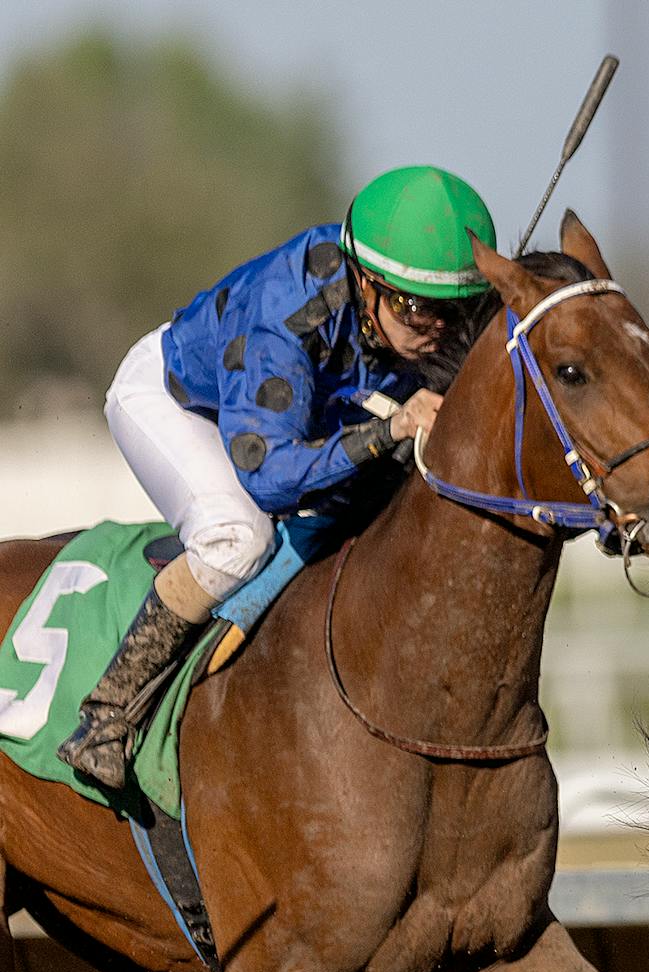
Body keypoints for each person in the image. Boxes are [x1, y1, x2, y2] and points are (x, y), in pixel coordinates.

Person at [56, 165, 499, 789]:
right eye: (416, 308)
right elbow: (269, 475)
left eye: (456, 311)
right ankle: (106, 715)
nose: (438, 330)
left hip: (305, 410)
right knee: (238, 537)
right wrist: (390, 431)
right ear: (367, 283)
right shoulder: (283, 317)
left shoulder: (404, 317)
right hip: (184, 404)